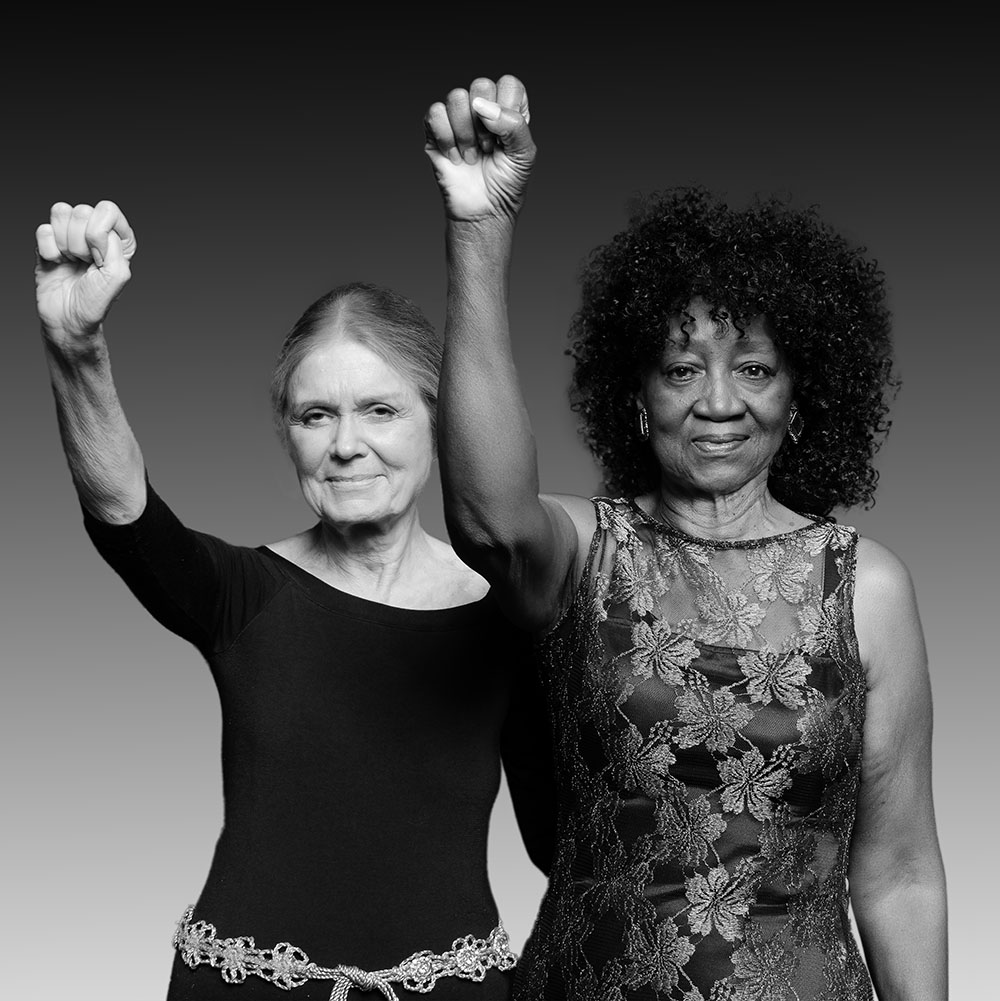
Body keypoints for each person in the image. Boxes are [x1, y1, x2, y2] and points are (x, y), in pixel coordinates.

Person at [423, 76, 947, 1000]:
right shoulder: (586, 551)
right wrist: (480, 226)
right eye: (680, 368)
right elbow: (488, 521)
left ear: (799, 396)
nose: (717, 401)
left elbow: (900, 872)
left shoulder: (868, 588)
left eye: (752, 368)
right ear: (636, 398)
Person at [34, 199, 555, 1000]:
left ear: (439, 420)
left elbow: (565, 839)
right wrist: (77, 350)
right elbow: (124, 512)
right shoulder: (243, 594)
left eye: (380, 409)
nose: (346, 444)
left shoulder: (512, 610)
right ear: (289, 434)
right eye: (317, 415)